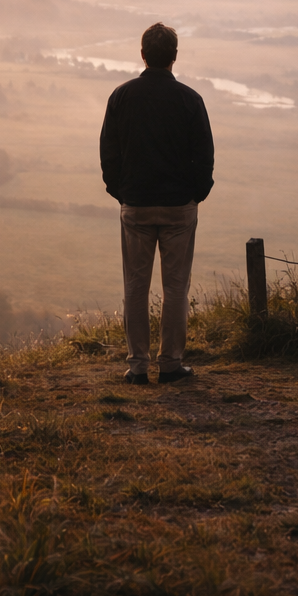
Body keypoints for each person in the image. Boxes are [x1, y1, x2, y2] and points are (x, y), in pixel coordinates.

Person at [99, 22, 214, 384]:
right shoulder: (190, 100)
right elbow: (204, 157)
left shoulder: (121, 96)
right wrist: (195, 195)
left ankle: (137, 366)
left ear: (143, 55)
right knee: (176, 287)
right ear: (174, 57)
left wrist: (122, 193)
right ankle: (170, 364)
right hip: (180, 207)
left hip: (136, 205)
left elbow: (109, 155)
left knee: (135, 286)